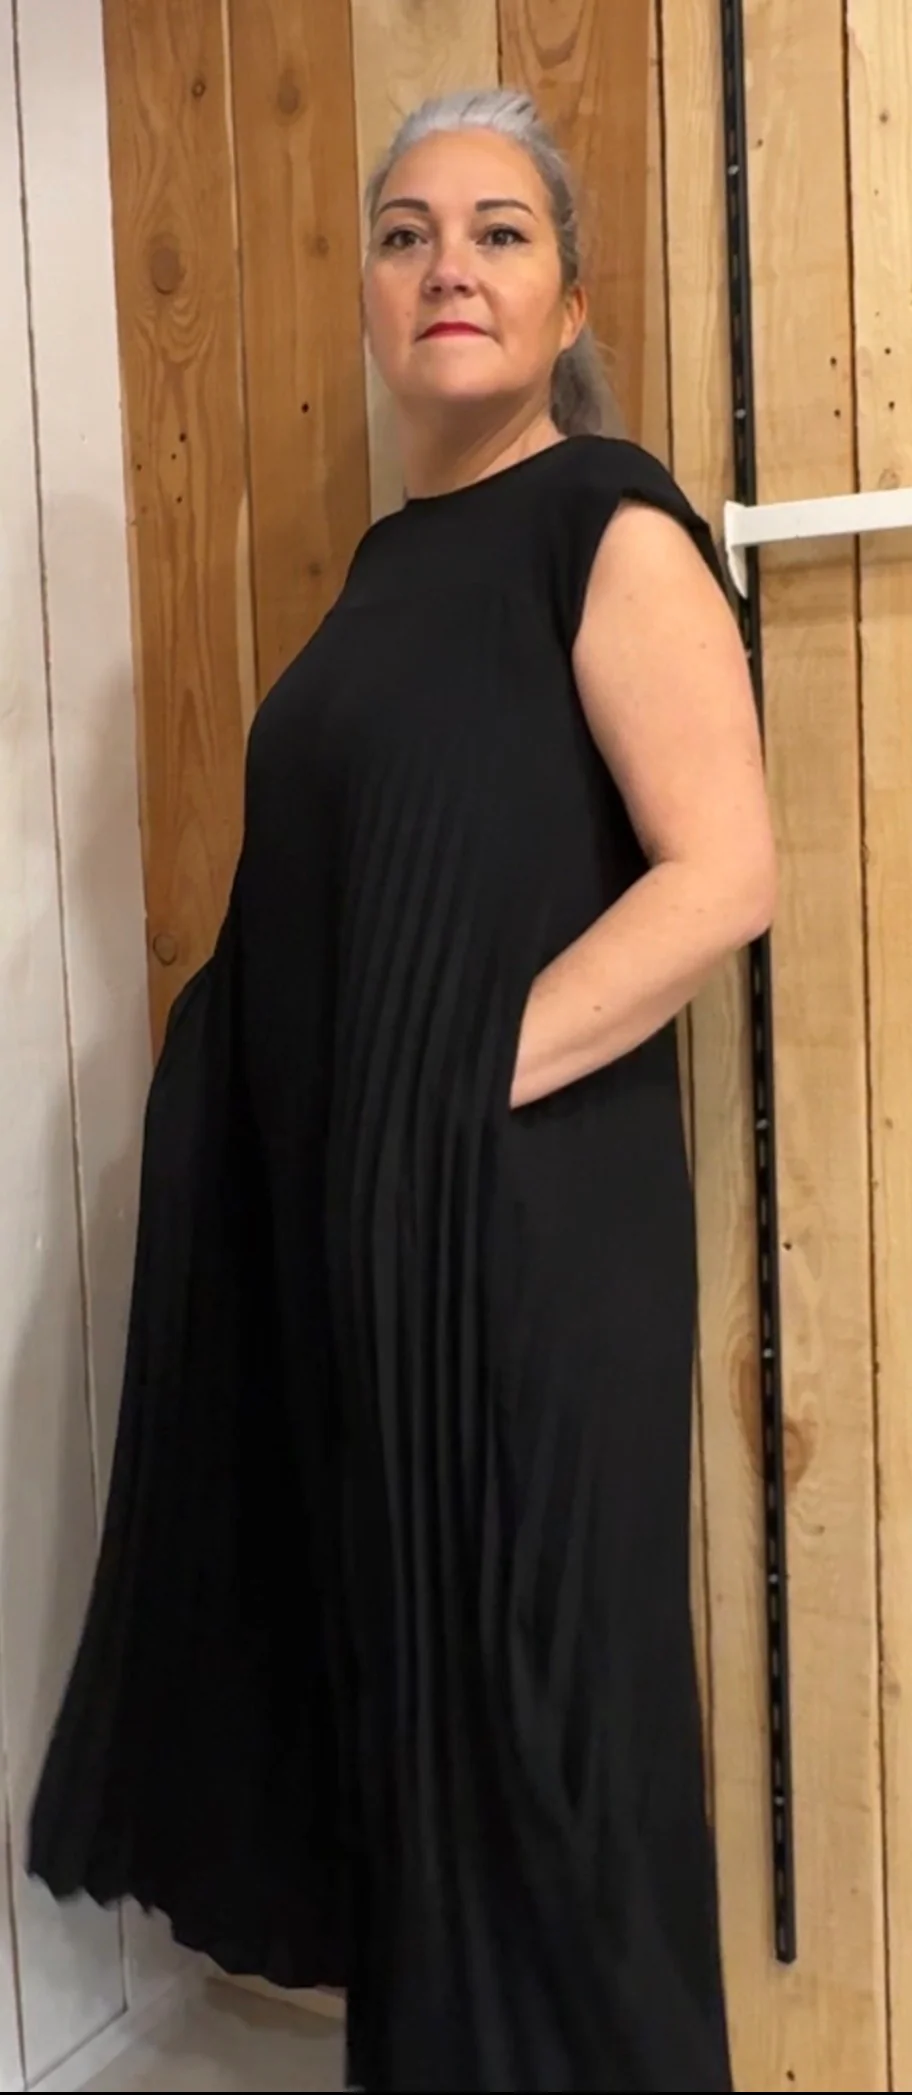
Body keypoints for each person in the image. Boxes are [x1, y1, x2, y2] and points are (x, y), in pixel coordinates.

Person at [29, 88, 774, 2093]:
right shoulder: (382, 571)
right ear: (369, 297)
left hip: (524, 1248)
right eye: (405, 233)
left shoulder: (604, 519)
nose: (449, 264)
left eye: (500, 232)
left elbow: (723, 873)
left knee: (545, 1736)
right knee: (420, 1731)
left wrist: (448, 1079)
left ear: (570, 301)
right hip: (379, 1247)